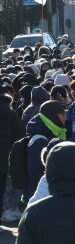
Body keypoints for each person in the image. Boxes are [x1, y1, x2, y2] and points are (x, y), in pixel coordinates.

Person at [22, 100, 68, 204]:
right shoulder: (40, 139)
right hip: (39, 196)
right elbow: (36, 172)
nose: (66, 117)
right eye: (63, 114)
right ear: (54, 115)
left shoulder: (50, 133)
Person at [0, 92, 25, 225]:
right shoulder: (9, 113)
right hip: (5, 155)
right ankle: (5, 211)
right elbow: (18, 135)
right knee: (3, 185)